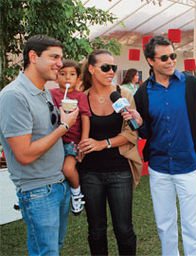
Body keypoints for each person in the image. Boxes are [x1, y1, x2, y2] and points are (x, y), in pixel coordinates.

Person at [133, 35, 196, 256]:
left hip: (189, 167)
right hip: (159, 169)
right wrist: (140, 123)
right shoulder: (142, 92)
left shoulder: (192, 85)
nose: (171, 61)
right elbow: (146, 132)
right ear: (151, 61)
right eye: (164, 58)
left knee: (192, 228)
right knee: (165, 226)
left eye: (173, 55)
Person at [0, 35, 79, 255]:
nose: (60, 64)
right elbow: (24, 154)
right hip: (37, 191)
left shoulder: (43, 91)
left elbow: (45, 133)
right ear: (33, 57)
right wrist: (64, 126)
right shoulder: (14, 96)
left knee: (54, 249)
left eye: (61, 58)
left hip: (57, 184)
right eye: (54, 57)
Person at [77, 49, 142, 256]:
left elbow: (131, 135)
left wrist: (101, 143)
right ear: (92, 69)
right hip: (90, 173)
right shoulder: (82, 98)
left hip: (120, 170)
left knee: (124, 229)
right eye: (105, 67)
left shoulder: (124, 95)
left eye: (113, 67)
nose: (111, 71)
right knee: (96, 230)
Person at [50, 59, 91, 214]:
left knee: (68, 169)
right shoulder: (51, 94)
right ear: (56, 77)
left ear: (78, 79)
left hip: (72, 141)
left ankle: (76, 192)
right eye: (63, 74)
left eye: (72, 74)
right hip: (54, 141)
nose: (67, 78)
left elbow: (86, 118)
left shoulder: (80, 96)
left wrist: (84, 141)